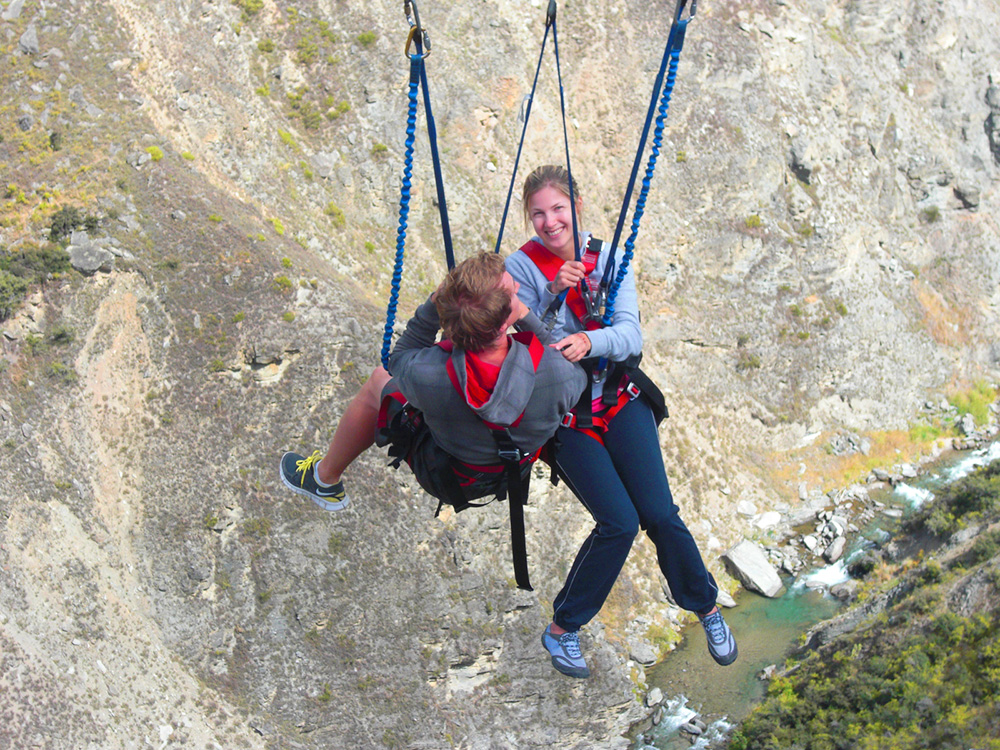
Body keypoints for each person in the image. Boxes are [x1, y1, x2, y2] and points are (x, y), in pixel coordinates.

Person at [504, 164, 738, 679]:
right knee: (619, 522)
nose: (549, 222)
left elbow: (630, 335)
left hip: (616, 396)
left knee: (660, 514)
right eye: (538, 214)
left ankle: (705, 607)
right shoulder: (519, 268)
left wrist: (591, 340)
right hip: (565, 414)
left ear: (577, 207)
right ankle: (563, 627)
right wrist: (552, 293)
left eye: (558, 209)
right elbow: (518, 340)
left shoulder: (608, 259)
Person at [279, 251, 586, 525]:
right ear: (504, 323)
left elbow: (399, 359)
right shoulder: (559, 374)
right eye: (513, 291)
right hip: (513, 472)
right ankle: (324, 478)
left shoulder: (429, 373)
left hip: (449, 475)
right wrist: (527, 317)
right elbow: (562, 356)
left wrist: (434, 304)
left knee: (378, 380)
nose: (518, 287)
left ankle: (325, 478)